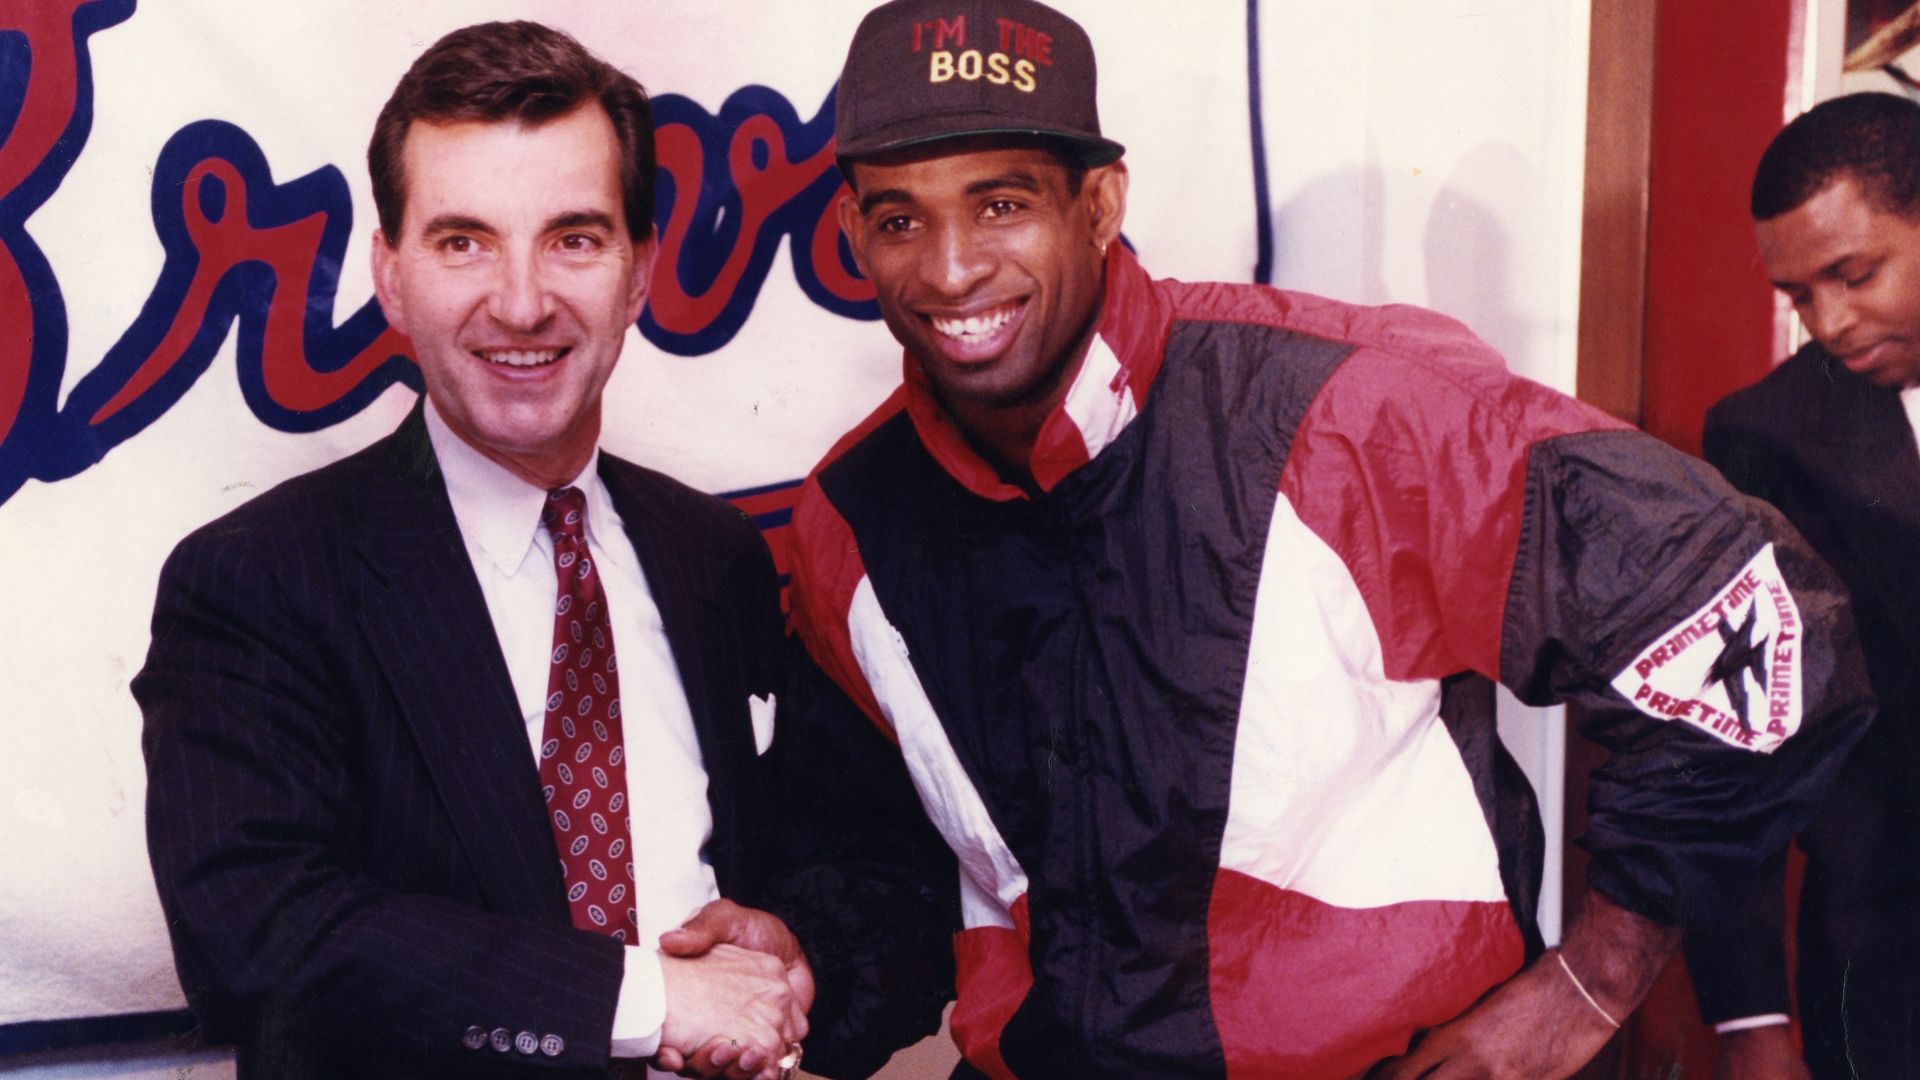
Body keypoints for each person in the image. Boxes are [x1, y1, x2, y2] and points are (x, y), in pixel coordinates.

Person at [748, 1, 1877, 1076]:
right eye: (901, 218)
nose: (950, 270)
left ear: (1099, 204)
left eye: (1001, 205)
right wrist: (805, 966)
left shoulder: (1348, 412)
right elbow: (881, 862)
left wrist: (1590, 984)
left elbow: (1754, 618)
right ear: (852, 229)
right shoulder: (851, 514)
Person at [136, 22, 808, 1080]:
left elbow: (823, 860)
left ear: (638, 276)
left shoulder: (714, 555)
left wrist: (790, 956)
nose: (523, 300)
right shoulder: (258, 579)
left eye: (574, 238)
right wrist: (641, 999)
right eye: (464, 241)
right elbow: (252, 934)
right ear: (391, 278)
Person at [1686, 91, 1920, 1080]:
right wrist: (1749, 1015)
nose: (1826, 321)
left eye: (1853, 274)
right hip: (1888, 971)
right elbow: (1730, 732)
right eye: (1797, 296)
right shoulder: (1765, 438)